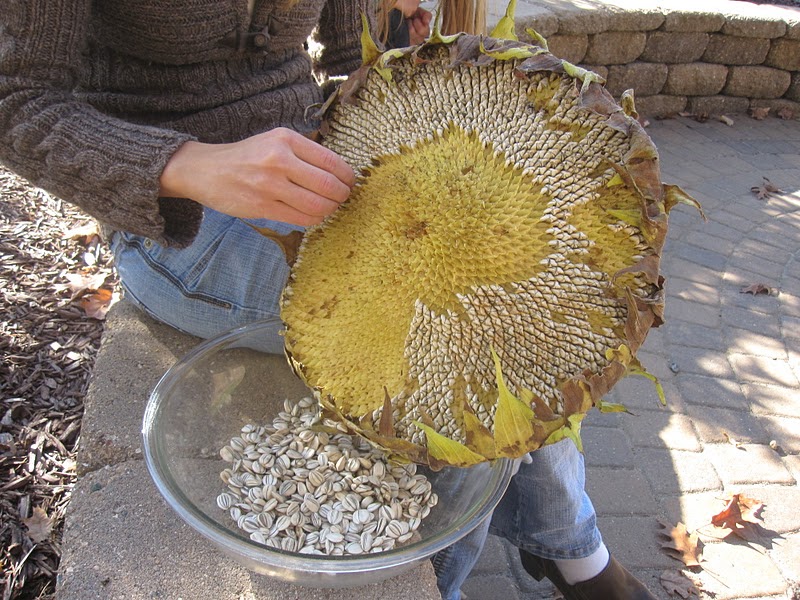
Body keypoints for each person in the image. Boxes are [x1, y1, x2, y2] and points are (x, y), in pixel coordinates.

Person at [0, 2, 655, 598]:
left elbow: (352, 57)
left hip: (322, 165)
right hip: (176, 217)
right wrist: (189, 164)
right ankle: (550, 554)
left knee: (535, 303)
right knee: (470, 358)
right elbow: (15, 101)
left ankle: (566, 547)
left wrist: (412, 77)